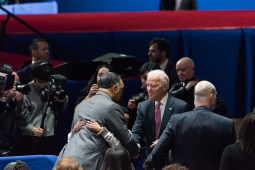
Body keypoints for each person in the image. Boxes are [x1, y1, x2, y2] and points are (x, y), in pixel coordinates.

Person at [144, 80, 236, 170]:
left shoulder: (176, 121)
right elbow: (232, 158)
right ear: (211, 96)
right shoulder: (227, 124)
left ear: (195, 96)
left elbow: (157, 154)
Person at [56, 72, 139, 170]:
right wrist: (135, 151)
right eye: (121, 89)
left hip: (65, 160)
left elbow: (74, 134)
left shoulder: (81, 105)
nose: (122, 93)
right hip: (89, 162)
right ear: (114, 88)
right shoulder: (111, 107)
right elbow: (125, 138)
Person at [15, 60, 68, 155]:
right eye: (40, 81)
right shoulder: (27, 90)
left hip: (51, 135)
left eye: (46, 81)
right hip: (31, 137)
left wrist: (63, 100)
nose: (43, 84)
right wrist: (32, 130)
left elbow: (63, 107)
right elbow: (21, 119)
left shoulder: (52, 85)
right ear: (34, 77)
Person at [132, 69, 189, 156]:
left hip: (171, 157)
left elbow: (183, 134)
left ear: (164, 87)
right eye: (147, 85)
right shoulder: (143, 106)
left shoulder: (180, 107)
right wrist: (135, 143)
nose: (149, 89)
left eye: (153, 86)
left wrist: (164, 141)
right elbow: (136, 131)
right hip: (151, 158)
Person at [127, 62, 160, 129]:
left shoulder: (163, 95)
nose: (143, 80)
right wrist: (132, 109)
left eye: (146, 77)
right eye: (142, 77)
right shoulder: (137, 97)